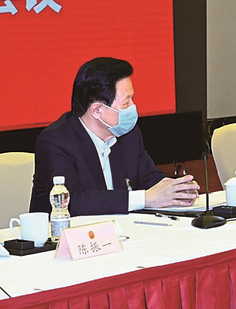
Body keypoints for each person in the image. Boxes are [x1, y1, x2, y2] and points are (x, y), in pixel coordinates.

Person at [30, 57, 200, 216]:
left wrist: (175, 189)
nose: (133, 107)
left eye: (132, 99)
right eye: (126, 102)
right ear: (97, 110)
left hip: (121, 228)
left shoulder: (127, 133)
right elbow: (73, 201)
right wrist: (145, 198)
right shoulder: (55, 142)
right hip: (66, 234)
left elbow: (147, 177)